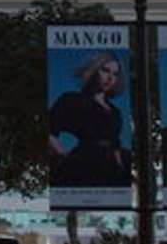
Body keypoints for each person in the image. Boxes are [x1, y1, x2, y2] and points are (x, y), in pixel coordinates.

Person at [47, 53, 128, 188]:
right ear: (94, 71)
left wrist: (121, 169)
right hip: (83, 165)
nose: (110, 78)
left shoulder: (115, 112)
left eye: (115, 74)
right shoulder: (72, 100)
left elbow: (115, 144)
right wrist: (62, 155)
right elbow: (49, 130)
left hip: (111, 171)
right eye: (105, 70)